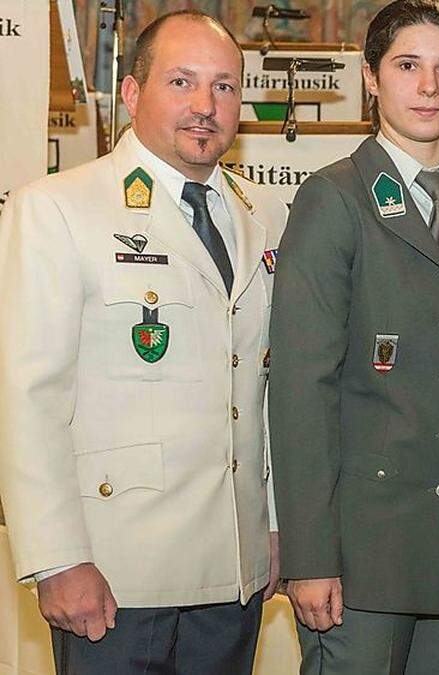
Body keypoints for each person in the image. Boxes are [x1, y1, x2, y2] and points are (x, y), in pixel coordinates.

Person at [0, 10, 286, 673]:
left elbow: (267, 387)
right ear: (132, 94)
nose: (205, 106)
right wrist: (55, 556)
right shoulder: (58, 209)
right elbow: (29, 396)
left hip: (234, 571)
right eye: (181, 81)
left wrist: (273, 526)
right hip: (115, 574)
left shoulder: (263, 216)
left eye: (224, 86)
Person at [268, 1, 439, 673]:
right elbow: (302, 388)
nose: (429, 86)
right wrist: (311, 556)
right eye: (407, 66)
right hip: (363, 555)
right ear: (370, 78)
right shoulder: (335, 199)